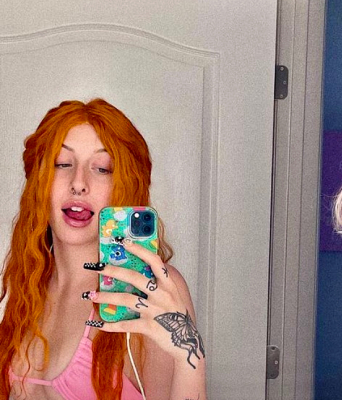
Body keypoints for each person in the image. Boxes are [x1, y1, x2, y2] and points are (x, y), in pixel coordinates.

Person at [0, 99, 206, 400]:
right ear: (38, 181)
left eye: (102, 168)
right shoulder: (30, 285)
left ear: (126, 184)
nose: (79, 183)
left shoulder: (149, 288)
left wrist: (190, 358)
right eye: (62, 163)